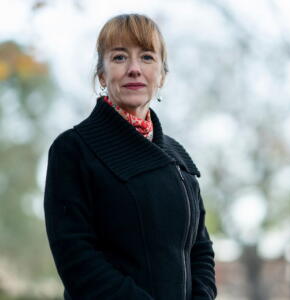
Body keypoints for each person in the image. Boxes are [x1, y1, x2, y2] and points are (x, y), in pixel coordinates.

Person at [43, 13, 217, 300]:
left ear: (162, 75)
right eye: (120, 57)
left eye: (147, 57)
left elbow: (200, 249)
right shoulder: (74, 150)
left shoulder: (178, 160)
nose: (134, 69)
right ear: (102, 74)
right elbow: (77, 259)